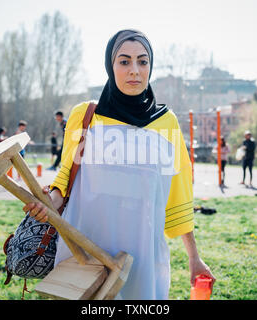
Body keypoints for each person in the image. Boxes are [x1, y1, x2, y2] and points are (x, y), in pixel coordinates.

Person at [22, 29, 215, 300]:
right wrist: (48, 202)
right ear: (110, 67)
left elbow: (179, 196)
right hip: (84, 252)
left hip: (142, 256)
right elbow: (65, 178)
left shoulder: (167, 122)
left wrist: (195, 258)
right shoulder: (85, 115)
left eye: (142, 61)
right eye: (124, 61)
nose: (134, 70)